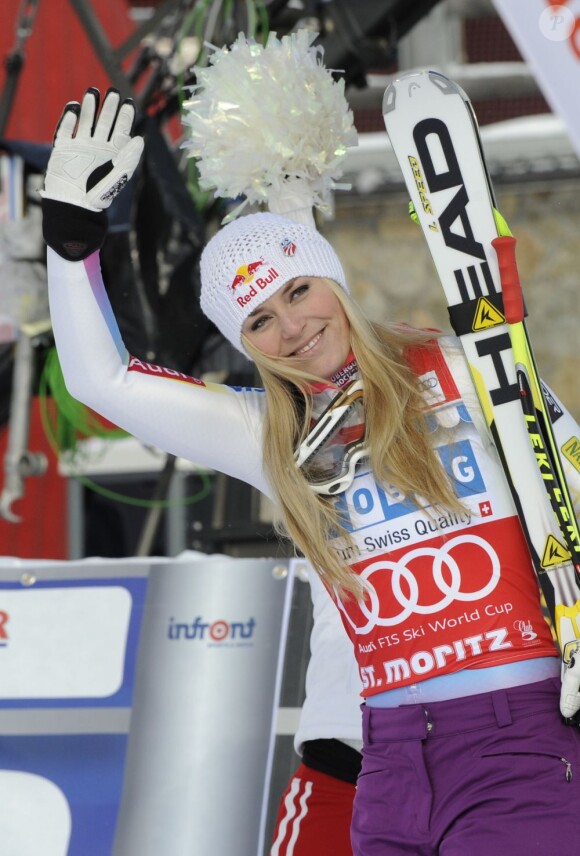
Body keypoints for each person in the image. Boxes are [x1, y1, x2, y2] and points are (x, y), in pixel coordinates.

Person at [41, 88, 580, 856]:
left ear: (333, 280)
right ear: (247, 342)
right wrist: (70, 249)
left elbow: (570, 493)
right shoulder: (268, 432)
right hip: (389, 757)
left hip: (519, 740)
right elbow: (106, 383)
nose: (292, 327)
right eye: (259, 320)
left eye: (298, 290)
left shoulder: (469, 370)